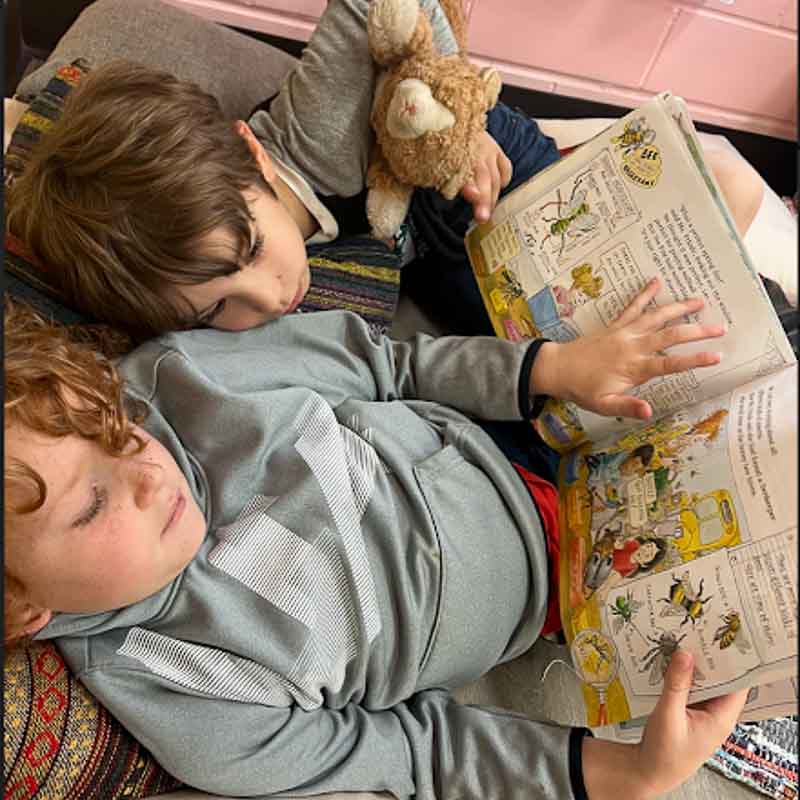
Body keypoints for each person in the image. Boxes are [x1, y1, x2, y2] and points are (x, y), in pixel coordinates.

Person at [5, 284, 745, 800]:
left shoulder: (178, 378)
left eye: (115, 428)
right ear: (24, 610)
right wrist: (616, 777)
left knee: (742, 350)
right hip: (573, 598)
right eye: (92, 503)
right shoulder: (175, 690)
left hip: (511, 434)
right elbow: (414, 751)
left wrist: (551, 367)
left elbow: (390, 365)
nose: (145, 472)